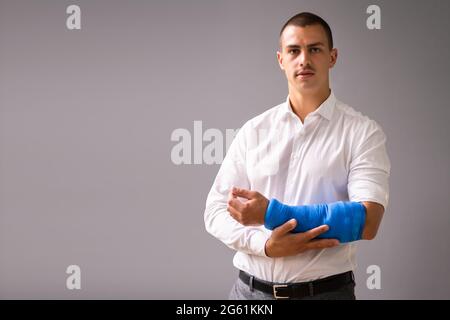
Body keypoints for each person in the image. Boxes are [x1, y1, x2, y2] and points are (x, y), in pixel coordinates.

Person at [204, 12, 390, 300]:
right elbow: (215, 211)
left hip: (325, 294)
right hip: (248, 294)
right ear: (281, 60)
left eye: (315, 49)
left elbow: (366, 222)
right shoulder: (253, 130)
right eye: (294, 50)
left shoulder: (362, 132)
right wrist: (265, 245)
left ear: (332, 57)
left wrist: (270, 215)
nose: (304, 59)